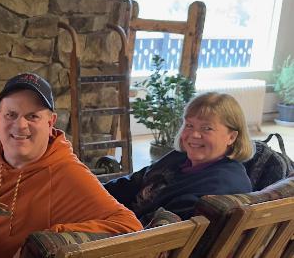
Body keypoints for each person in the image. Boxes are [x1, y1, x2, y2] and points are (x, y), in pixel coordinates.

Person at [0, 72, 142, 258]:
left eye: (32, 116)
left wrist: (53, 238)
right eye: (11, 115)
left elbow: (129, 226)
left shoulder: (69, 174)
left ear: (51, 121)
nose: (20, 125)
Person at [104, 92, 253, 224]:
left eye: (207, 128)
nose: (194, 135)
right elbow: (135, 181)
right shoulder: (180, 158)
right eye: (189, 125)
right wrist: (97, 193)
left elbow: (156, 229)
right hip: (120, 219)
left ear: (231, 137)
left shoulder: (221, 185)